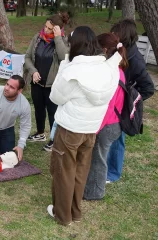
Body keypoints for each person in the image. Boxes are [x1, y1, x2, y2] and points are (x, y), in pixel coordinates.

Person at [47, 26, 122, 226]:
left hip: (70, 129)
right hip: (90, 130)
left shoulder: (73, 70)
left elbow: (55, 96)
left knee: (65, 171)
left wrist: (64, 64)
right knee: (80, 171)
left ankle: (62, 215)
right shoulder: (107, 68)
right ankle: (75, 212)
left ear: (75, 44)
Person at [106, 19, 155, 183]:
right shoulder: (118, 51)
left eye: (116, 33)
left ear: (124, 35)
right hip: (110, 104)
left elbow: (148, 88)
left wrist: (129, 100)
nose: (113, 35)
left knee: (117, 140)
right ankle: (103, 167)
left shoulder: (136, 60)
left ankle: (113, 173)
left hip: (122, 108)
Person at [84, 33, 128, 200]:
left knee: (98, 160)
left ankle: (95, 193)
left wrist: (97, 128)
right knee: (97, 158)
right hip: (112, 123)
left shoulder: (112, 73)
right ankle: (91, 188)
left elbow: (109, 107)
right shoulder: (117, 69)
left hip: (108, 125)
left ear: (103, 49)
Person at [24, 13, 69, 152]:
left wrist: (57, 38)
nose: (46, 30)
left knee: (52, 113)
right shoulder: (38, 38)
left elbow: (63, 57)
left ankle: (54, 140)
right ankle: (40, 133)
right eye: (46, 26)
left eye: (50, 28)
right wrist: (33, 71)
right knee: (38, 108)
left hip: (52, 85)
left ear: (57, 29)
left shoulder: (63, 40)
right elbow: (27, 57)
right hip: (37, 82)